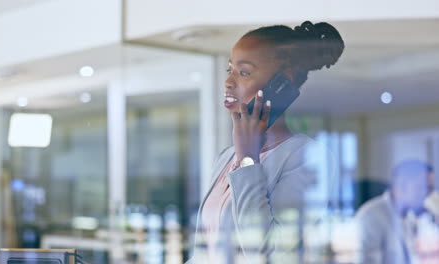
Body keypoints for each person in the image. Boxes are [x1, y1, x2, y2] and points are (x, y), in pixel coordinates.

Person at [186, 21, 344, 264]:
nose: (229, 82)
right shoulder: (227, 157)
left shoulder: (309, 157)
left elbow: (266, 254)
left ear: (282, 82)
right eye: (229, 69)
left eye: (244, 72)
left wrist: (249, 161)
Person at [355, 160, 435, 264]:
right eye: (426, 187)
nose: (429, 194)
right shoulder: (371, 215)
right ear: (401, 185)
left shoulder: (409, 216)